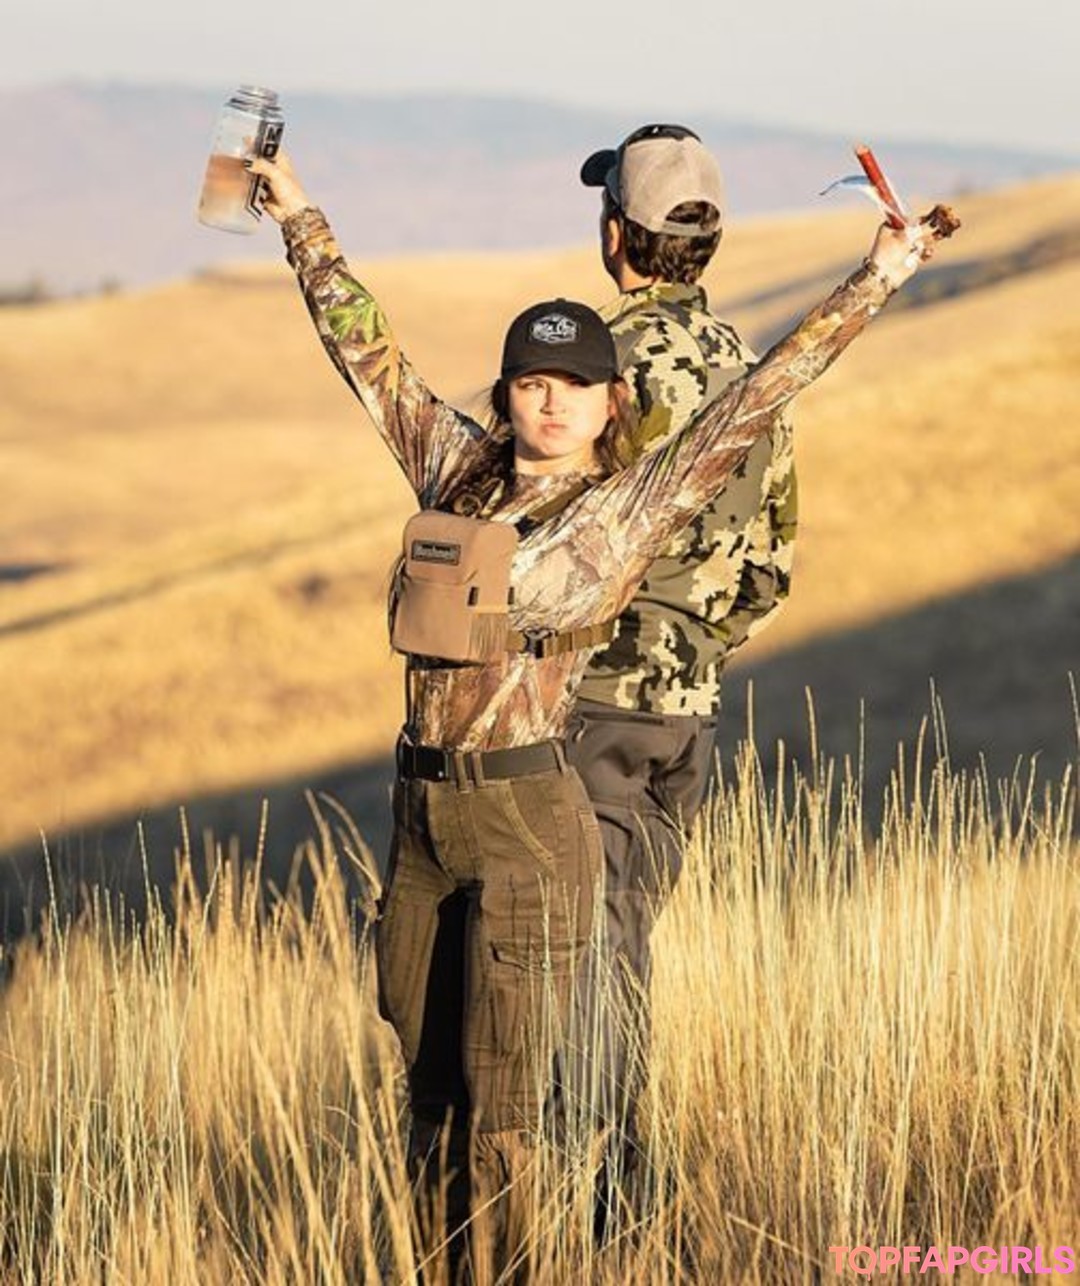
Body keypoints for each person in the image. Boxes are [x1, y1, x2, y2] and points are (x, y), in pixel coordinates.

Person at [247, 147, 952, 1283]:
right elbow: (366, 353)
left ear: (611, 400)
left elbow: (766, 390)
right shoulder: (455, 471)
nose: (551, 401)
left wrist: (881, 274)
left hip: (528, 822)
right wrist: (299, 218)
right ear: (506, 391)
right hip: (423, 823)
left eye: (575, 384)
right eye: (532, 380)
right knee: (429, 1102)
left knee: (506, 1116)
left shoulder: (627, 511)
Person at [561, 122, 797, 1224]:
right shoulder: (750, 365)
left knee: (571, 948)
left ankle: (600, 1197)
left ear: (618, 234)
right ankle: (618, 1186)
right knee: (626, 939)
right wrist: (694, 648)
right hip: (686, 715)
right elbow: (772, 566)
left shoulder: (590, 365)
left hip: (592, 701)